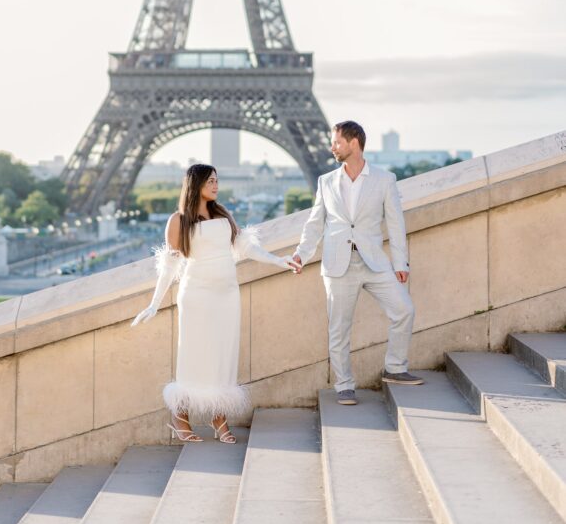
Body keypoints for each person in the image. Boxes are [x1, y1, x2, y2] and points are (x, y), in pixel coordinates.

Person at [131, 163, 297, 442]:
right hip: (197, 295)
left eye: (217, 180)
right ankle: (180, 418)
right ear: (195, 184)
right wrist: (154, 304)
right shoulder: (178, 220)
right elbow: (169, 268)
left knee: (223, 356)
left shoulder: (223, 213)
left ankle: (219, 419)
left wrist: (279, 260)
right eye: (210, 181)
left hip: (227, 295)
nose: (216, 185)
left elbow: (245, 247)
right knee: (192, 357)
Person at [292, 120, 423, 405]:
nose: (332, 147)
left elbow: (396, 224)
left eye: (337, 142)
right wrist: (302, 253)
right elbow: (315, 224)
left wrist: (401, 263)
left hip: (374, 261)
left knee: (404, 309)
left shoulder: (384, 179)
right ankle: (344, 385)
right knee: (339, 328)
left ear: (354, 143)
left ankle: (395, 367)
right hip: (338, 264)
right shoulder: (325, 181)